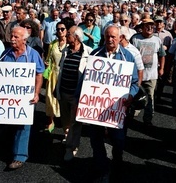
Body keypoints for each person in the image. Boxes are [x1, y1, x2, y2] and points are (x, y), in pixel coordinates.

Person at [87, 25, 139, 182]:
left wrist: (130, 95)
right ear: (104, 37)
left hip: (117, 108)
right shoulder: (95, 54)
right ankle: (100, 166)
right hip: (96, 106)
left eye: (113, 37)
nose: (110, 40)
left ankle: (117, 159)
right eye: (107, 36)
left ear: (120, 38)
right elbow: (85, 80)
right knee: (95, 138)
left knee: (118, 139)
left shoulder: (127, 56)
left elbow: (135, 82)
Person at [0, 26, 44, 169]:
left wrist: (36, 92)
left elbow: (39, 74)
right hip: (8, 97)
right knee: (11, 124)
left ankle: (19, 156)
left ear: (24, 39)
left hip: (25, 97)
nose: (12, 39)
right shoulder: (5, 53)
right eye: (12, 36)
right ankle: (10, 146)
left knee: (23, 125)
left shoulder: (33, 54)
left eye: (16, 37)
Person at [56, 25, 92, 161]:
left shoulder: (88, 53)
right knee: (65, 119)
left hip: (77, 95)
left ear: (76, 37)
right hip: (64, 91)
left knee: (75, 122)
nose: (66, 36)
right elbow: (61, 70)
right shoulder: (66, 51)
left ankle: (71, 147)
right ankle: (68, 137)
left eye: (69, 34)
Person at [130, 18, 166, 127]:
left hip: (151, 75)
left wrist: (161, 68)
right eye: (147, 25)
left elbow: (162, 55)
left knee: (150, 97)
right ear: (142, 27)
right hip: (136, 75)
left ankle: (148, 119)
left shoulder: (157, 40)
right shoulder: (135, 38)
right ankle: (131, 115)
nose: (150, 27)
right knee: (133, 95)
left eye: (151, 25)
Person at [44, 19, 74, 132]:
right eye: (58, 29)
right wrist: (47, 64)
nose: (60, 31)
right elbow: (48, 58)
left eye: (62, 29)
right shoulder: (53, 44)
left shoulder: (70, 44)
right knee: (50, 98)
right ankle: (50, 121)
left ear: (67, 30)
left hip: (66, 75)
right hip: (53, 75)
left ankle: (66, 126)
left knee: (65, 101)